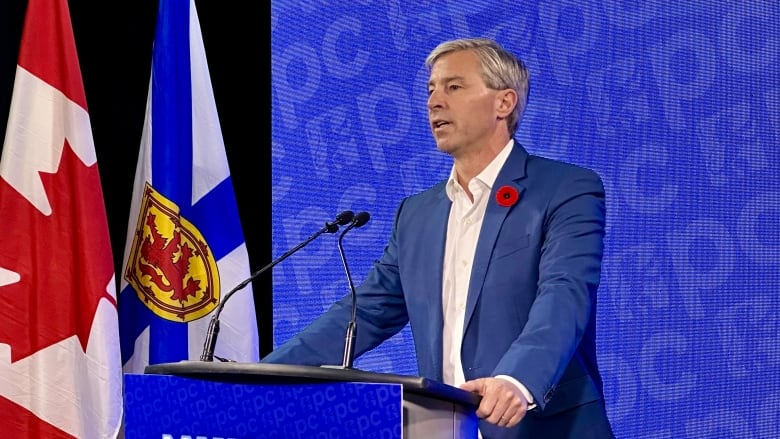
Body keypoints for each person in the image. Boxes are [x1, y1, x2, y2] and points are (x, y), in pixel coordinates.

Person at [262, 37, 613, 438]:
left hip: (545, 428)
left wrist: (517, 380)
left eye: (454, 87)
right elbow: (363, 313)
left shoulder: (565, 188)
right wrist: (262, 375)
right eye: (430, 90)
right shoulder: (417, 214)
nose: (433, 102)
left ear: (504, 103)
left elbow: (564, 295)